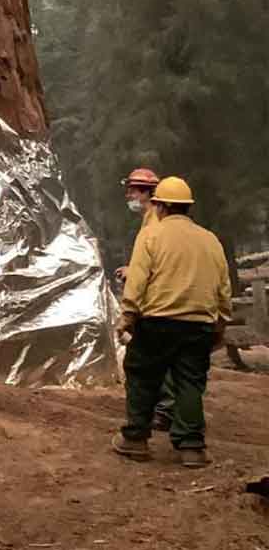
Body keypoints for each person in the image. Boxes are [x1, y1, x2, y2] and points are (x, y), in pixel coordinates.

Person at [113, 177, 232, 468]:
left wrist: (127, 317)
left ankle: (135, 440)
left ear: (161, 205)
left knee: (141, 376)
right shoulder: (210, 239)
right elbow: (223, 287)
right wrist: (220, 324)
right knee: (190, 383)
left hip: (157, 322)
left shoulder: (151, 236)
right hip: (198, 324)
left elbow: (138, 280)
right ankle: (191, 447)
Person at [117, 167, 175, 431]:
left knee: (145, 361)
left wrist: (129, 311)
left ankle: (159, 413)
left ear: (146, 193)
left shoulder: (155, 222)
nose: (129, 195)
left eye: (132, 190)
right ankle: (165, 409)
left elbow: (156, 259)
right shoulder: (152, 219)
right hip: (161, 299)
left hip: (158, 303)